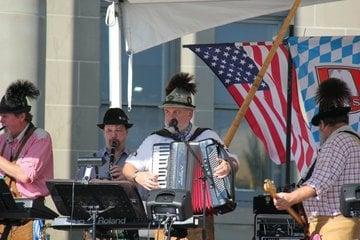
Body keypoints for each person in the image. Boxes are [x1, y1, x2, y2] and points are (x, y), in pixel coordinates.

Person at [123, 72, 239, 240]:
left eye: (176, 112)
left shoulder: (207, 137)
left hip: (200, 219)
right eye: (167, 112)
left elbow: (234, 161)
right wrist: (137, 175)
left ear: (190, 114)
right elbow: (128, 167)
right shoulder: (154, 139)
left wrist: (228, 166)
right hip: (164, 218)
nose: (170, 117)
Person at [273, 78, 360, 240]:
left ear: (323, 124)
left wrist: (291, 198)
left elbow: (319, 183)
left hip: (334, 224)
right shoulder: (354, 140)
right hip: (346, 222)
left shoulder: (336, 142)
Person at [0, 80, 54, 240]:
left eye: (4, 116)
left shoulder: (41, 137)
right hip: (3, 210)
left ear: (22, 116)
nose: (1, 120)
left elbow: (24, 175)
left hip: (28, 215)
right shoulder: (2, 138)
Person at [78, 107, 139, 240]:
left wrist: (128, 179)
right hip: (96, 226)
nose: (113, 135)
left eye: (118, 130)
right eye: (109, 130)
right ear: (104, 133)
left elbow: (146, 194)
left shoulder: (136, 160)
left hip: (127, 225)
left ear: (126, 132)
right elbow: (78, 194)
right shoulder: (91, 160)